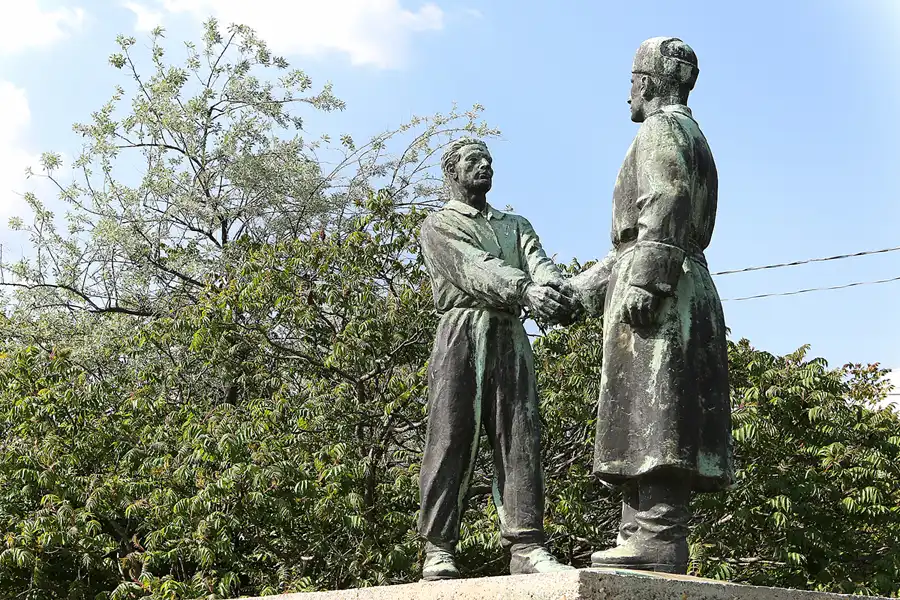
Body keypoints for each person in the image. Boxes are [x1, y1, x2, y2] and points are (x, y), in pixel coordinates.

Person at [572, 37, 733, 574]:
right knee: (641, 413)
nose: (628, 97)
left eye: (630, 84)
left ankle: (659, 536)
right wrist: (577, 290)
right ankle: (638, 533)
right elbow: (629, 243)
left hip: (664, 289)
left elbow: (666, 202)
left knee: (656, 411)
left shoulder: (662, 128)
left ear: (645, 82)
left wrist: (646, 281)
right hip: (668, 278)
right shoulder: (686, 132)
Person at [417, 137, 580, 580]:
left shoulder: (515, 224)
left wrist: (557, 291)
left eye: (488, 159)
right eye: (473, 160)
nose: (484, 165)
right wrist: (527, 290)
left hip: (510, 333)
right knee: (451, 436)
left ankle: (526, 544)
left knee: (520, 435)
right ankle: (438, 546)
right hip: (462, 333)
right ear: (451, 171)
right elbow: (475, 268)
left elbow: (538, 263)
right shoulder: (438, 226)